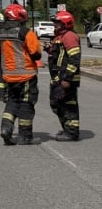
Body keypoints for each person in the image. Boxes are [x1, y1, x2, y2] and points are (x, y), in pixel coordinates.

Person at [0, 3, 42, 145]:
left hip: (8, 76)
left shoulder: (0, 33)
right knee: (26, 104)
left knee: (11, 102)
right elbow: (36, 54)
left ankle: (6, 128)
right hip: (26, 75)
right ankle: (25, 136)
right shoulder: (26, 32)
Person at [44, 11, 82, 141]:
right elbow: (59, 55)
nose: (55, 25)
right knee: (56, 104)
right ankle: (67, 128)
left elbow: (75, 59)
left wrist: (67, 79)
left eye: (58, 23)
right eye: (55, 23)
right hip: (58, 77)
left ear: (66, 23)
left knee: (69, 105)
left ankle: (72, 132)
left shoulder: (69, 36)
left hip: (66, 78)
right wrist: (49, 49)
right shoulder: (59, 37)